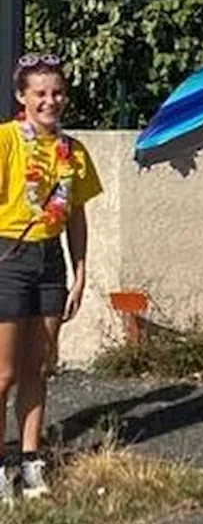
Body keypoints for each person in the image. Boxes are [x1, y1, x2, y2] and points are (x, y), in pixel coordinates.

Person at [0, 55, 101, 500]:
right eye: (39, 93)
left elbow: (76, 216)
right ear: (22, 98)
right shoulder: (5, 141)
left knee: (39, 366)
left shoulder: (73, 150)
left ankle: (30, 458)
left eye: (56, 92)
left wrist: (80, 272)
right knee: (3, 373)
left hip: (51, 262)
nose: (50, 101)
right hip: (9, 255)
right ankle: (1, 464)